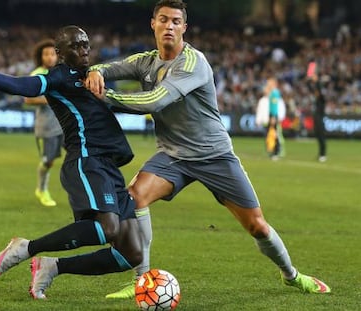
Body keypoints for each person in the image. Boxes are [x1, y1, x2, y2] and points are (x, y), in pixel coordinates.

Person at [85, 0, 331, 298]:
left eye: (176, 21)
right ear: (153, 24)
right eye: (164, 19)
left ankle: (291, 276)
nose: (170, 26)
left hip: (213, 156)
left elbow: (156, 101)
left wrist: (105, 96)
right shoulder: (146, 61)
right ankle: (143, 280)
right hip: (173, 156)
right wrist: (96, 71)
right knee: (134, 198)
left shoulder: (193, 63)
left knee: (257, 227)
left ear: (184, 28)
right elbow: (109, 67)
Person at [0, 25, 142, 300]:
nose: (84, 49)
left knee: (131, 253)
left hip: (109, 166)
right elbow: (21, 86)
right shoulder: (58, 77)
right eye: (76, 45)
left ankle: (52, 266)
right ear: (61, 54)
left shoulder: (94, 75)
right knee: (107, 228)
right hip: (87, 160)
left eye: (86, 43)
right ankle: (25, 248)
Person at [24, 39, 64, 207]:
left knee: (80, 156)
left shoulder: (61, 73)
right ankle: (42, 189)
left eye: (52, 54)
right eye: (46, 54)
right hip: (46, 127)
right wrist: (50, 100)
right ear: (40, 57)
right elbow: (28, 99)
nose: (49, 57)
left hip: (64, 125)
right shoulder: (37, 74)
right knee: (48, 161)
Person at [307, 71, 327, 162]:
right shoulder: (316, 92)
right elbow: (310, 87)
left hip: (320, 115)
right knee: (318, 135)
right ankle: (320, 153)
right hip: (316, 115)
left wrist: (317, 81)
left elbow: (320, 93)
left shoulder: (321, 94)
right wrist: (309, 80)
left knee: (321, 135)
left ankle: (323, 154)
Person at [264, 77, 286, 160]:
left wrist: (273, 116)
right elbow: (265, 92)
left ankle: (276, 151)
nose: (267, 84)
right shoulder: (273, 92)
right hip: (272, 114)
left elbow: (274, 106)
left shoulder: (275, 93)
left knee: (275, 133)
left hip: (274, 115)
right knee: (272, 133)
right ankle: (274, 151)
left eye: (269, 82)